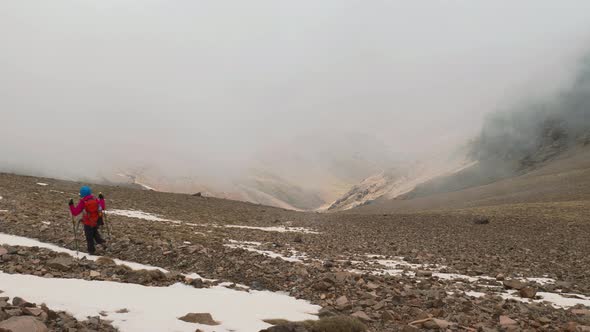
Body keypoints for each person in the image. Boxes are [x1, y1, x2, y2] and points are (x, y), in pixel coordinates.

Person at [69, 186, 107, 255]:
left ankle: (91, 251)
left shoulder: (83, 202)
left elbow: (75, 212)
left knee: (89, 237)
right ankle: (102, 243)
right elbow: (102, 207)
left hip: (88, 222)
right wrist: (101, 198)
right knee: (95, 233)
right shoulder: (95, 199)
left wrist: (71, 205)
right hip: (96, 221)